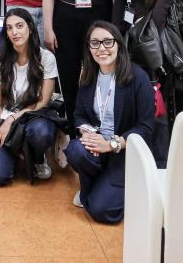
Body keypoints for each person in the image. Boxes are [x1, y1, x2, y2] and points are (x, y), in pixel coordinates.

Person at [65, 21, 155, 223]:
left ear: (119, 45)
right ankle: (99, 185)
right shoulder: (88, 76)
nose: (102, 48)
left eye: (107, 42)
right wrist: (89, 135)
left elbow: (146, 127)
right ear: (89, 48)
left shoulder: (138, 77)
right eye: (95, 43)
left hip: (123, 150)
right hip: (98, 145)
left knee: (102, 211)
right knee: (75, 150)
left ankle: (119, 186)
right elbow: (79, 115)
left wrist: (111, 145)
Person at [112, 0, 182, 145]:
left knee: (157, 102)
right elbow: (120, 4)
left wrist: (137, 41)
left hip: (151, 44)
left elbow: (161, 12)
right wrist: (115, 39)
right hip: (127, 41)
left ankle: (162, 156)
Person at [0, 8, 59, 186]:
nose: (14, 32)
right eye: (9, 28)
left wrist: (13, 119)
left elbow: (44, 101)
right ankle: (17, 149)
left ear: (31, 28)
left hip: (36, 115)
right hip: (5, 116)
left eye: (19, 26)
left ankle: (38, 156)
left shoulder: (46, 58)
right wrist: (6, 121)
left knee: (40, 132)